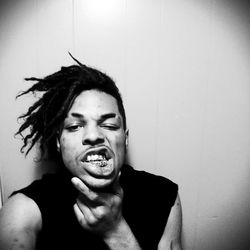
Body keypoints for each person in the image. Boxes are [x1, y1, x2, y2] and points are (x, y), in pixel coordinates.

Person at [0, 55, 182, 250]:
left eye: (109, 124)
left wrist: (116, 231)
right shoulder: (23, 209)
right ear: (58, 142)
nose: (94, 135)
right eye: (75, 126)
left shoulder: (163, 196)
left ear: (125, 138)